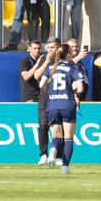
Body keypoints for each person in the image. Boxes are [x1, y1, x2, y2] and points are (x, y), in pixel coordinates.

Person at [37, 42, 85, 175]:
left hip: (52, 104)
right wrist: (73, 89)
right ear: (69, 54)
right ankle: (65, 166)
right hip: (67, 104)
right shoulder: (73, 69)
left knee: (56, 136)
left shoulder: (51, 68)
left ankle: (52, 150)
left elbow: (41, 84)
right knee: (68, 138)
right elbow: (80, 88)